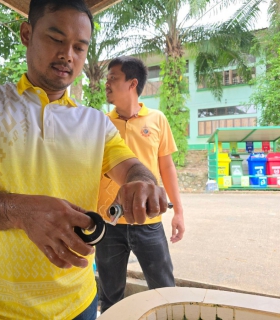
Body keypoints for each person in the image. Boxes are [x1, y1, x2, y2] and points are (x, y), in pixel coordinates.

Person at [0, 2, 170, 319]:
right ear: (27, 34)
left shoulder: (96, 124)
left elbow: (133, 168)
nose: (68, 54)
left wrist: (144, 182)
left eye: (79, 47)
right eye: (56, 38)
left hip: (79, 305)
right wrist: (20, 211)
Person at [96, 56, 185, 313]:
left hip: (149, 221)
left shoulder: (157, 119)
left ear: (132, 83)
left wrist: (178, 211)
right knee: (110, 295)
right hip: (109, 224)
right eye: (107, 78)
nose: (107, 83)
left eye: (113, 78)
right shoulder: (100, 123)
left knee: (164, 290)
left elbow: (166, 167)